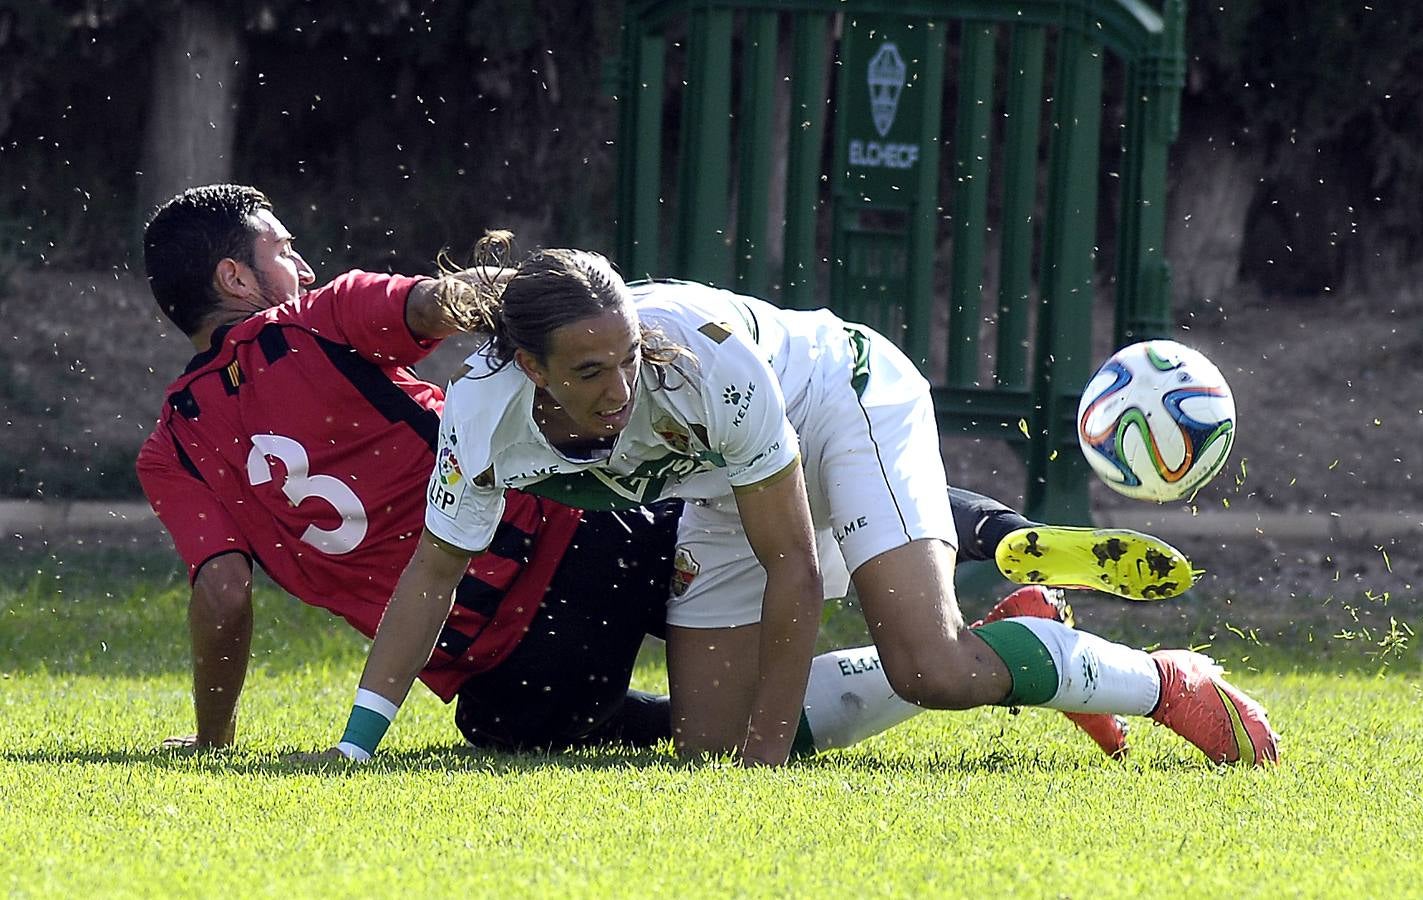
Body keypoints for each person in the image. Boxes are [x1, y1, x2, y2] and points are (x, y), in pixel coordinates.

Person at [136, 184, 1137, 761]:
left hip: (497, 662)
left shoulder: (169, 446)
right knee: (725, 511)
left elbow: (224, 592)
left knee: (569, 715)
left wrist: (216, 739)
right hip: (573, 529)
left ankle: (941, 600)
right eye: (282, 249)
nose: (302, 266)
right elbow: (453, 301)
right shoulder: (320, 317)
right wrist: (542, 309)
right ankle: (982, 539)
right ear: (235, 277)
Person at [332, 236, 1279, 767]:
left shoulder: (704, 360)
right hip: (720, 476)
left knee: (930, 670)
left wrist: (767, 764)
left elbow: (791, 561)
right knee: (705, 741)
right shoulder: (479, 412)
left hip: (838, 397)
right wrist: (356, 748)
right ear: (529, 367)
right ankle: (1026, 640)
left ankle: (1163, 683)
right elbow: (434, 572)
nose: (620, 384)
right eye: (590, 371)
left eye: (627, 356)